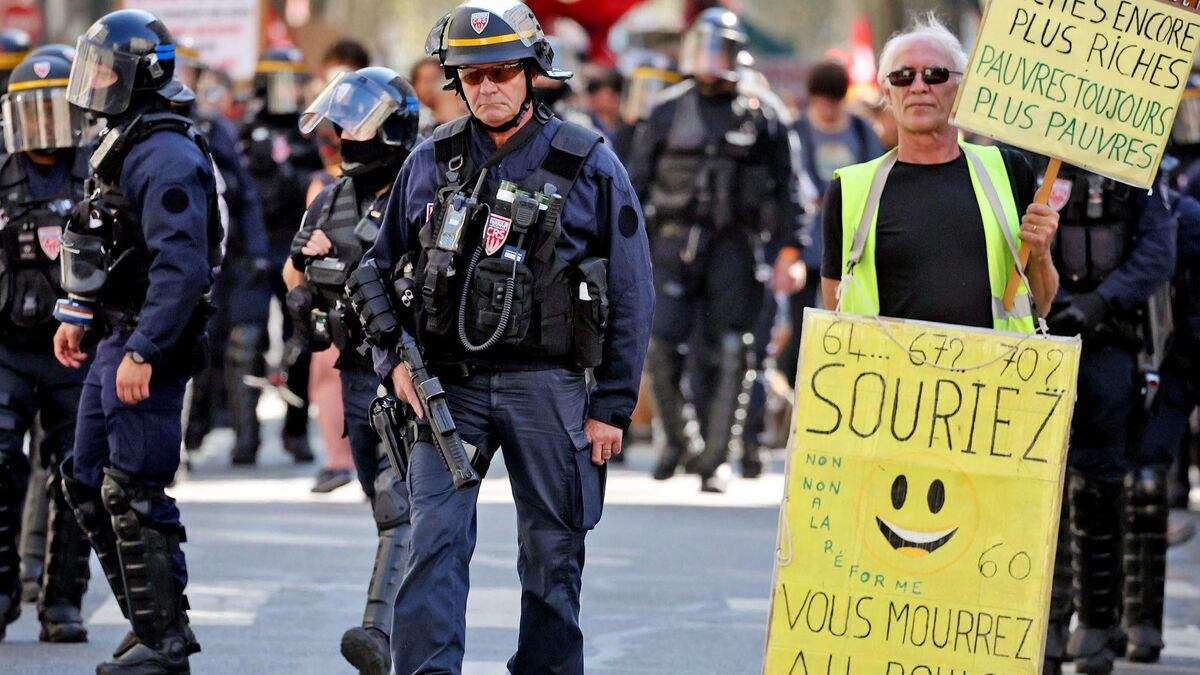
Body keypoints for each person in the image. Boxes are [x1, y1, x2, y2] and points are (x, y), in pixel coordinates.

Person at [361, 1, 653, 671]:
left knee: (553, 552)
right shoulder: (430, 159)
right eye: (472, 76)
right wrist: (391, 363)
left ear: (530, 74)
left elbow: (634, 288)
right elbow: (375, 270)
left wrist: (612, 404)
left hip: (547, 386)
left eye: (501, 72)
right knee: (433, 541)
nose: (487, 87)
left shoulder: (590, 161)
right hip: (444, 388)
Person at [54, 9, 219, 673]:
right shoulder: (128, 139)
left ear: (138, 76)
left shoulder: (166, 155)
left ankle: (165, 643)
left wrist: (146, 350)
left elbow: (181, 269)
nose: (93, 79)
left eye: (105, 68)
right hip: (117, 331)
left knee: (135, 484)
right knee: (88, 477)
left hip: (150, 341)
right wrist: (79, 313)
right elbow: (108, 240)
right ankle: (148, 621)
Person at [626, 7, 805, 490]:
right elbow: (634, 184)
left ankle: (716, 459)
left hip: (736, 245)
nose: (708, 59)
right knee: (660, 344)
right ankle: (681, 441)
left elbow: (789, 189)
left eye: (717, 49)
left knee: (733, 349)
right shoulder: (666, 108)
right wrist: (625, 246)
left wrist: (792, 252)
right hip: (672, 242)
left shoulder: (763, 111)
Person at [285, 65, 420, 675]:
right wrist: (305, 267)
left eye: (359, 129)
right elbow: (293, 280)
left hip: (407, 370)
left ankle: (380, 634)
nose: (348, 141)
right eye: (343, 129)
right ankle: (413, 614)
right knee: (381, 499)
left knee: (400, 505)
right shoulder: (333, 196)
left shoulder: (423, 186)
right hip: (354, 369)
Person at [819, 14, 1058, 328]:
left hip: (990, 373)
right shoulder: (850, 190)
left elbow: (1040, 304)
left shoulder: (1009, 170)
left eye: (935, 74)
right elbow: (837, 320)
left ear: (960, 90)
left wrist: (1040, 254)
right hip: (886, 377)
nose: (919, 87)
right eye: (903, 76)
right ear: (888, 94)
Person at [0, 50, 92, 645]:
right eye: (28, 110)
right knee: (2, 458)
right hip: (5, 342)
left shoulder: (99, 169)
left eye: (51, 107)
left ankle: (62, 600)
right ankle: (4, 588)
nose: (40, 123)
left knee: (76, 473)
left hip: (75, 348)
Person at [239, 47, 324, 465]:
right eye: (279, 82)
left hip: (298, 248)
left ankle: (296, 429)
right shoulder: (245, 130)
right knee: (247, 342)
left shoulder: (309, 130)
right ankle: (246, 434)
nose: (286, 92)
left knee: (303, 339)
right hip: (256, 252)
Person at [776, 60, 883, 385]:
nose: (828, 110)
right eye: (822, 102)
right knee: (801, 326)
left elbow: (876, 174)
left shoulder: (862, 131)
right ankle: (794, 385)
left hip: (854, 246)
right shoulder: (796, 132)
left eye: (833, 102)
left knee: (851, 323)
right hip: (809, 247)